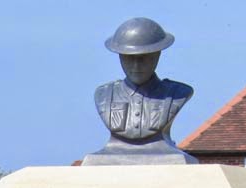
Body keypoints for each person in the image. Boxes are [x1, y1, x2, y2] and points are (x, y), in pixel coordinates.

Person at [83, 17, 195, 164]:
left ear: (157, 55)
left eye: (144, 58)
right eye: (129, 58)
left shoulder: (178, 93)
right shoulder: (104, 94)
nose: (136, 66)